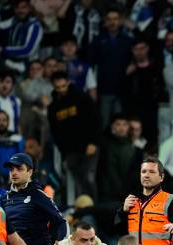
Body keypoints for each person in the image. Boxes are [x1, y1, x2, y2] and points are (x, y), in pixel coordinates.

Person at [116, 157, 173, 245]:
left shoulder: (169, 201)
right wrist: (123, 212)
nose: (146, 175)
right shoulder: (131, 201)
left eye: (152, 172)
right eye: (144, 171)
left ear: (161, 177)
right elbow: (119, 232)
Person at [48, 70, 99, 205]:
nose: (61, 90)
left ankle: (94, 207)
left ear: (68, 83)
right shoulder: (53, 107)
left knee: (89, 178)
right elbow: (55, 133)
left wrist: (93, 142)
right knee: (77, 182)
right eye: (57, 87)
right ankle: (82, 210)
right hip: (70, 151)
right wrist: (63, 152)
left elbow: (94, 120)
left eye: (63, 86)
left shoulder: (81, 98)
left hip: (88, 146)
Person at [88, 6, 132, 128]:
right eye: (110, 19)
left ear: (120, 21)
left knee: (120, 124)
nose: (113, 22)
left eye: (116, 19)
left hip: (122, 89)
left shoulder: (127, 41)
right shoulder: (97, 41)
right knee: (104, 124)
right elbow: (90, 65)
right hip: (104, 89)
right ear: (105, 21)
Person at [122, 36, 164, 144]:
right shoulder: (128, 69)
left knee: (151, 140)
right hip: (134, 111)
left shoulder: (156, 67)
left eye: (142, 48)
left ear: (148, 48)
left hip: (152, 110)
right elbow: (122, 91)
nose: (139, 52)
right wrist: (126, 75)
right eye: (136, 49)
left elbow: (160, 88)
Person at [98, 113, 136, 204]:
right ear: (113, 126)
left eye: (124, 124)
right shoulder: (106, 146)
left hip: (128, 194)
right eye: (118, 124)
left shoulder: (133, 147)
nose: (121, 128)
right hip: (110, 194)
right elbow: (110, 171)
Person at [0, 0, 43, 73]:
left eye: (23, 7)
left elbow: (27, 50)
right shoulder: (15, 20)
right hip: (10, 63)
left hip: (26, 66)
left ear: (29, 9)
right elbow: (1, 26)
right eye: (17, 8)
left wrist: (2, 50)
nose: (20, 10)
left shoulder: (35, 26)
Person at [59, 34, 96, 100]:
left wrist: (92, 106)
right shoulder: (55, 65)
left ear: (77, 47)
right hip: (60, 101)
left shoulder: (85, 66)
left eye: (72, 45)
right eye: (66, 45)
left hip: (80, 101)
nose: (69, 47)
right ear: (61, 48)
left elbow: (92, 88)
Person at [0, 110, 24, 185]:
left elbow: (21, 159)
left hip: (13, 178)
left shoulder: (16, 138)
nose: (1, 123)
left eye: (4, 120)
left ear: (8, 122)